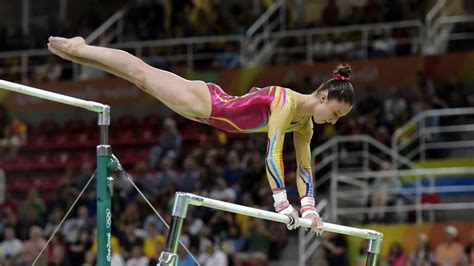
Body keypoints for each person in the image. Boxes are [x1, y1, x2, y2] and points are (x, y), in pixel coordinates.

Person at [47, 36, 354, 234]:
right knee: (141, 75)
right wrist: (282, 203)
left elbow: (305, 167)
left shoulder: (305, 125)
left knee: (140, 79)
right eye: (336, 114)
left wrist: (310, 207)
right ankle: (80, 49)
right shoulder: (285, 102)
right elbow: (273, 151)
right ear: (324, 96)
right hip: (206, 102)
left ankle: (78, 53)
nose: (333, 122)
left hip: (210, 114)